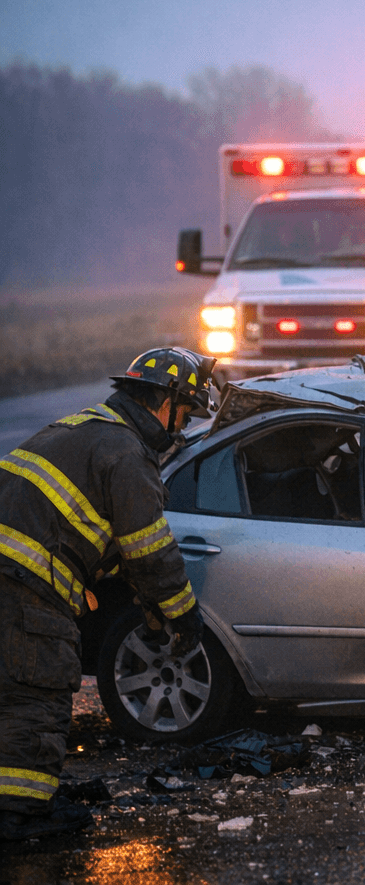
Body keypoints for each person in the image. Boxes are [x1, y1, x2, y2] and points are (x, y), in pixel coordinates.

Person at [0, 347, 214, 841]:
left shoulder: (81, 428)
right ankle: (21, 819)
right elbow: (149, 552)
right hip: (26, 586)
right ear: (165, 400)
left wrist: (146, 605)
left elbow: (113, 547)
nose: (181, 429)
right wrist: (183, 616)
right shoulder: (126, 454)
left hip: (12, 576)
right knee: (36, 696)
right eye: (184, 413)